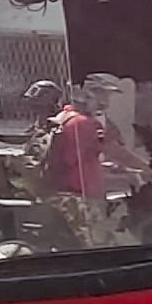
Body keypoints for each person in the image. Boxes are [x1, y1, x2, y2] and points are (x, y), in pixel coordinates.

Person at [24, 78, 124, 250]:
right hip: (82, 196)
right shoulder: (85, 124)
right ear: (86, 95)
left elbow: (78, 156)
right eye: (101, 95)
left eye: (107, 96)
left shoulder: (63, 118)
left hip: (61, 190)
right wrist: (146, 170)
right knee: (104, 248)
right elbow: (116, 152)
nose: (105, 102)